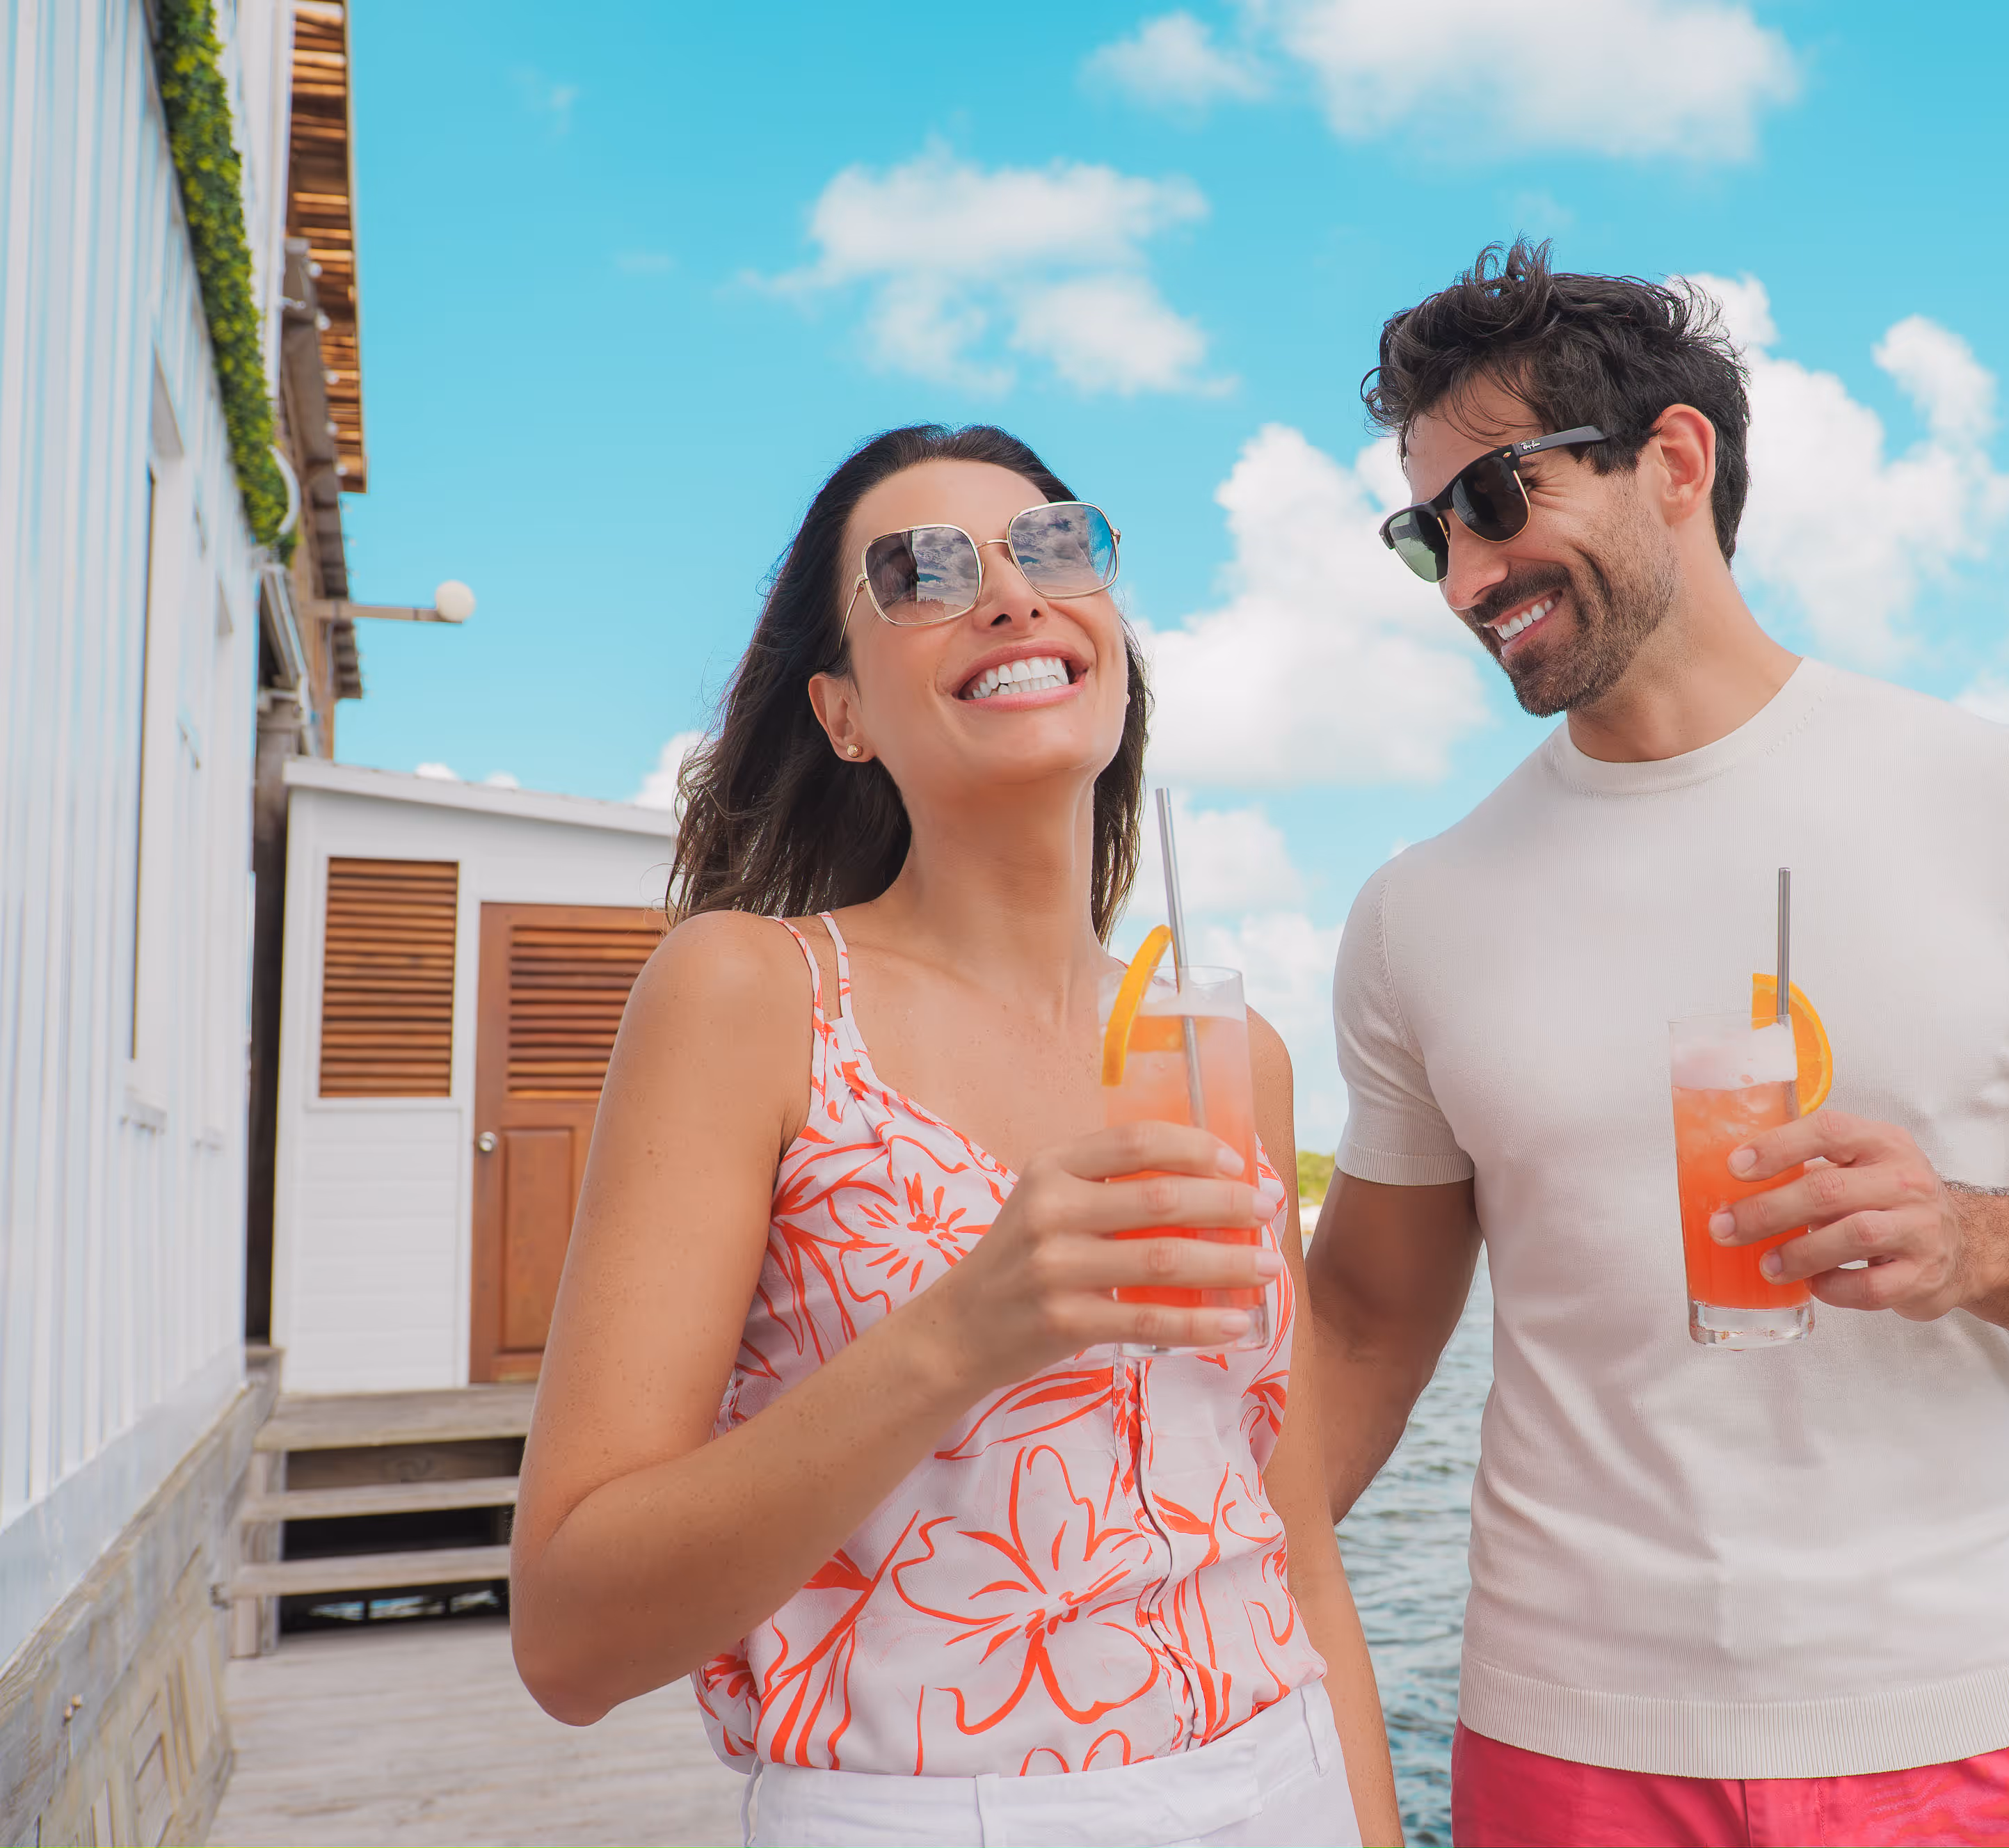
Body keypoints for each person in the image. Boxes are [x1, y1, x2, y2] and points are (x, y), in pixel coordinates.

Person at [1308, 244, 2009, 1848]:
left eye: (1496, 497)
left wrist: (1973, 1240)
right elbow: (1358, 1322)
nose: (1468, 573)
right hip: (1563, 1753)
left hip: (1960, 1731)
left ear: (1676, 460)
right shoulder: (1420, 911)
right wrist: (1162, 1588)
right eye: (1427, 533)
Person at [509, 424, 1400, 1848]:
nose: (1011, 592)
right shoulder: (754, 995)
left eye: (1057, 545)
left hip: (1281, 1770)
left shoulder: (1234, 1055)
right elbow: (568, 1634)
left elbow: (1293, 1551)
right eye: (922, 572)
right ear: (843, 710)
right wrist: (966, 1328)